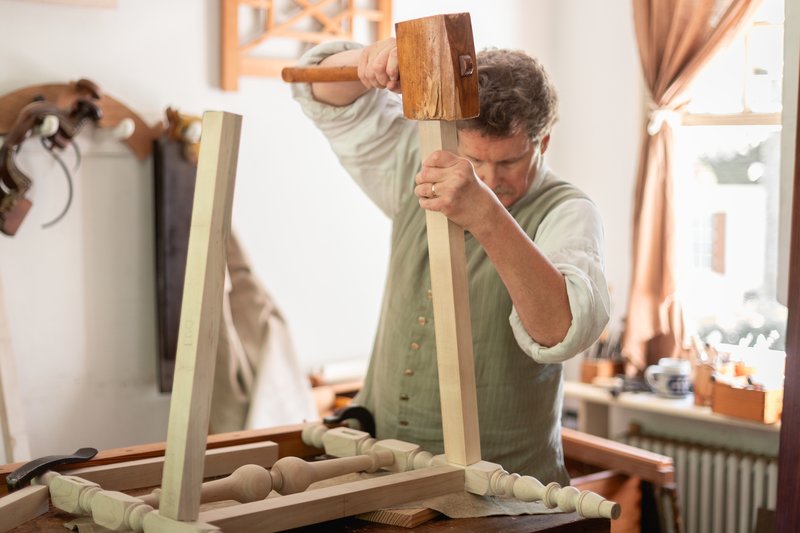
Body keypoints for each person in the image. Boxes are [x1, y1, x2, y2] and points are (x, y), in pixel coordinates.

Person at [291, 38, 610, 485]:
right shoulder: (422, 161)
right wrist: (370, 60)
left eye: (509, 162)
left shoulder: (569, 210)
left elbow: (561, 330)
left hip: (506, 494)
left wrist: (486, 214)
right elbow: (324, 96)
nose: (490, 179)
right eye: (474, 159)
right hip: (384, 469)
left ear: (544, 142)